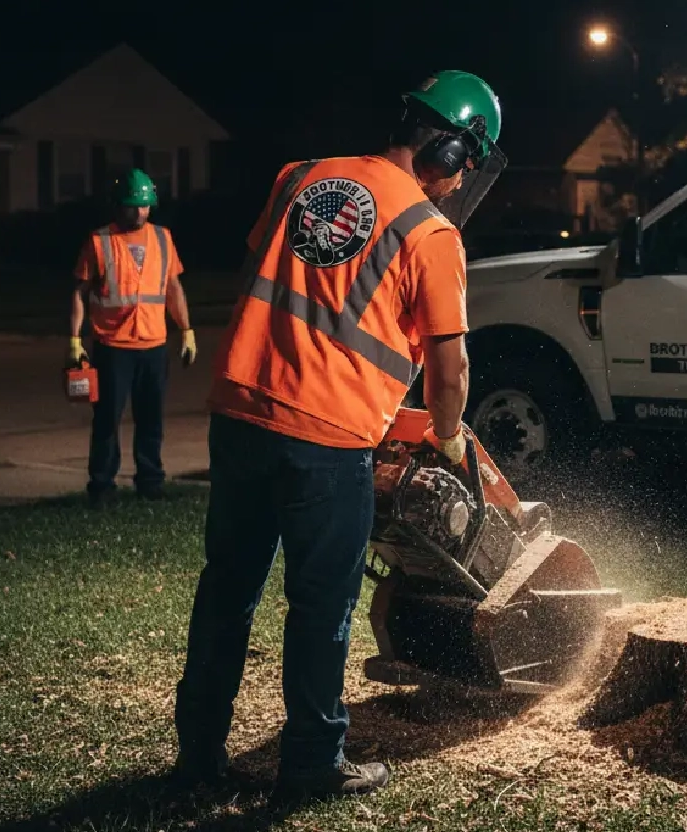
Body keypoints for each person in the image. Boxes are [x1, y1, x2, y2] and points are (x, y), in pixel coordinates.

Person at [172, 70, 507, 804]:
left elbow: (271, 271)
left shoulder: (300, 177)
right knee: (322, 607)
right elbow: (449, 371)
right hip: (325, 437)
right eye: (464, 169)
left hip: (240, 411)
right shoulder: (429, 231)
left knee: (226, 590)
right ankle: (314, 762)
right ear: (449, 150)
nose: (459, 186)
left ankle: (197, 756)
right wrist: (448, 437)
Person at [69, 169, 197, 505]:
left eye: (145, 206)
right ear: (118, 206)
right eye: (132, 206)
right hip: (113, 346)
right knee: (107, 420)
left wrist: (187, 330)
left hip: (154, 345)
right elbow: (79, 292)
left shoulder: (163, 239)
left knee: (151, 419)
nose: (139, 213)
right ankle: (101, 486)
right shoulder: (99, 242)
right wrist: (75, 339)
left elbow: (173, 287)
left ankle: (151, 483)